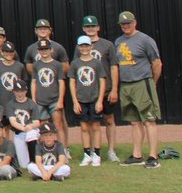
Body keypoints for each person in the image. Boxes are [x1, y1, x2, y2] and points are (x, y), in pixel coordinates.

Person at [113, 10, 163, 168]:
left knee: (149, 120)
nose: (126, 26)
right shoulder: (118, 41)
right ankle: (137, 155)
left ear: (135, 23)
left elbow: (157, 63)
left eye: (128, 23)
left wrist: (152, 82)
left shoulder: (145, 40)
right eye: (123, 24)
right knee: (134, 122)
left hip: (142, 82)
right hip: (126, 85)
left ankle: (153, 157)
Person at [78, 14, 120, 163]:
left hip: (106, 89)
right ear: (83, 28)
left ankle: (111, 150)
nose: (90, 29)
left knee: (109, 119)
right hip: (88, 91)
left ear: (98, 28)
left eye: (93, 26)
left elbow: (114, 67)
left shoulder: (107, 45)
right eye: (87, 26)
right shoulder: (80, 46)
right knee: (90, 123)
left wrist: (114, 89)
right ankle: (92, 151)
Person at [70, 35, 107, 167]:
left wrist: (100, 100)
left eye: (87, 45)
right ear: (78, 47)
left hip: (94, 99)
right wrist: (75, 101)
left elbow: (102, 81)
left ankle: (96, 154)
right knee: (84, 127)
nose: (84, 48)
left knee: (96, 126)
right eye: (82, 46)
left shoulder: (97, 63)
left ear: (91, 46)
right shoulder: (75, 63)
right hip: (81, 100)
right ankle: (87, 154)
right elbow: (72, 82)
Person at [30, 39, 68, 152]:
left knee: (58, 126)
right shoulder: (36, 65)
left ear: (51, 49)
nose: (44, 51)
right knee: (43, 128)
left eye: (46, 49)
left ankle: (63, 151)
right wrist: (33, 99)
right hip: (40, 100)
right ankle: (45, 151)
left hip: (54, 99)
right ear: (38, 51)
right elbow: (33, 82)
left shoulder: (57, 65)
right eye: (41, 49)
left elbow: (61, 83)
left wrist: (60, 100)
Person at [6, 80, 40, 169]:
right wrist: (23, 128)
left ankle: (34, 162)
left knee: (31, 134)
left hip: (31, 130)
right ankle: (30, 161)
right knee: (23, 165)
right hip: (19, 132)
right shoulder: (11, 104)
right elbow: (13, 122)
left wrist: (30, 126)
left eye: (21, 91)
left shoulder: (31, 103)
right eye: (17, 91)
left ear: (26, 91)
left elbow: (37, 122)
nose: (19, 94)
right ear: (14, 92)